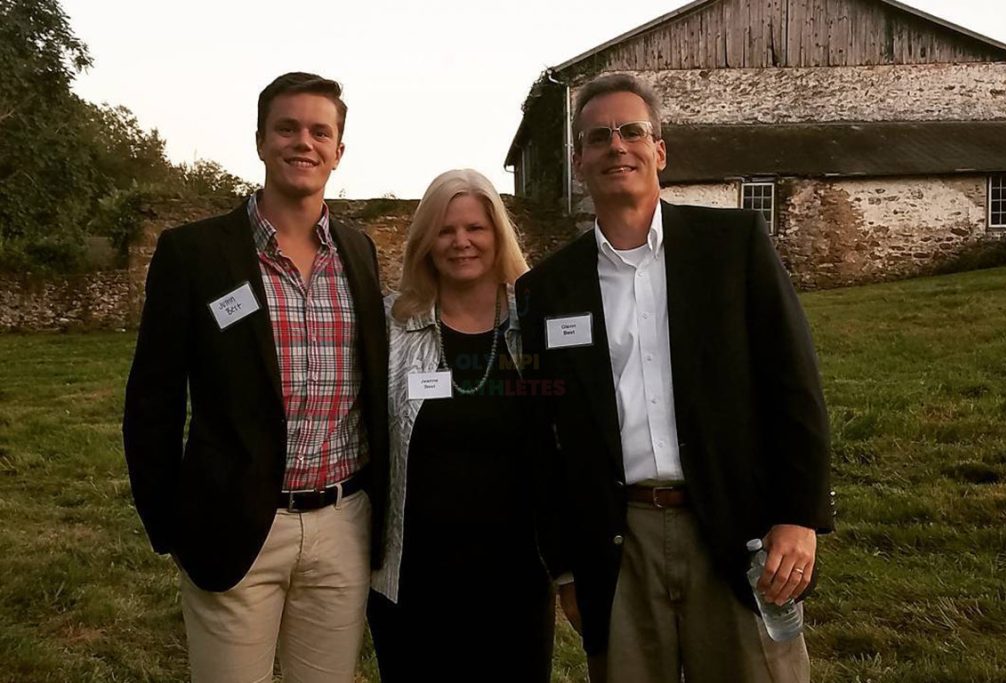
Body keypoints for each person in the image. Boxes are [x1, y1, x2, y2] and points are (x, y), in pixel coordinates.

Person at [515, 73, 834, 683]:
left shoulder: (732, 245)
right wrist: (566, 570)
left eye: (632, 131)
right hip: (618, 543)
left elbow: (793, 384)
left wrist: (799, 514)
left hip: (736, 530)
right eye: (598, 137)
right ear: (579, 161)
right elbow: (543, 437)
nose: (617, 146)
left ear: (660, 149)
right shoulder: (548, 290)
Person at [122, 72, 389, 683]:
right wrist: (169, 525)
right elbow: (153, 402)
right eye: (288, 128)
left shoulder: (359, 251)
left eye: (321, 131)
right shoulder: (195, 254)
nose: (305, 142)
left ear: (339, 151)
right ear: (261, 141)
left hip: (343, 525)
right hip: (234, 523)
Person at [367, 169, 555, 683]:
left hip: (516, 577)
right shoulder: (391, 325)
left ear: (498, 234)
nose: (460, 242)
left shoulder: (535, 322)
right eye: (445, 230)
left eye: (475, 228)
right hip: (415, 578)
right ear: (426, 241)